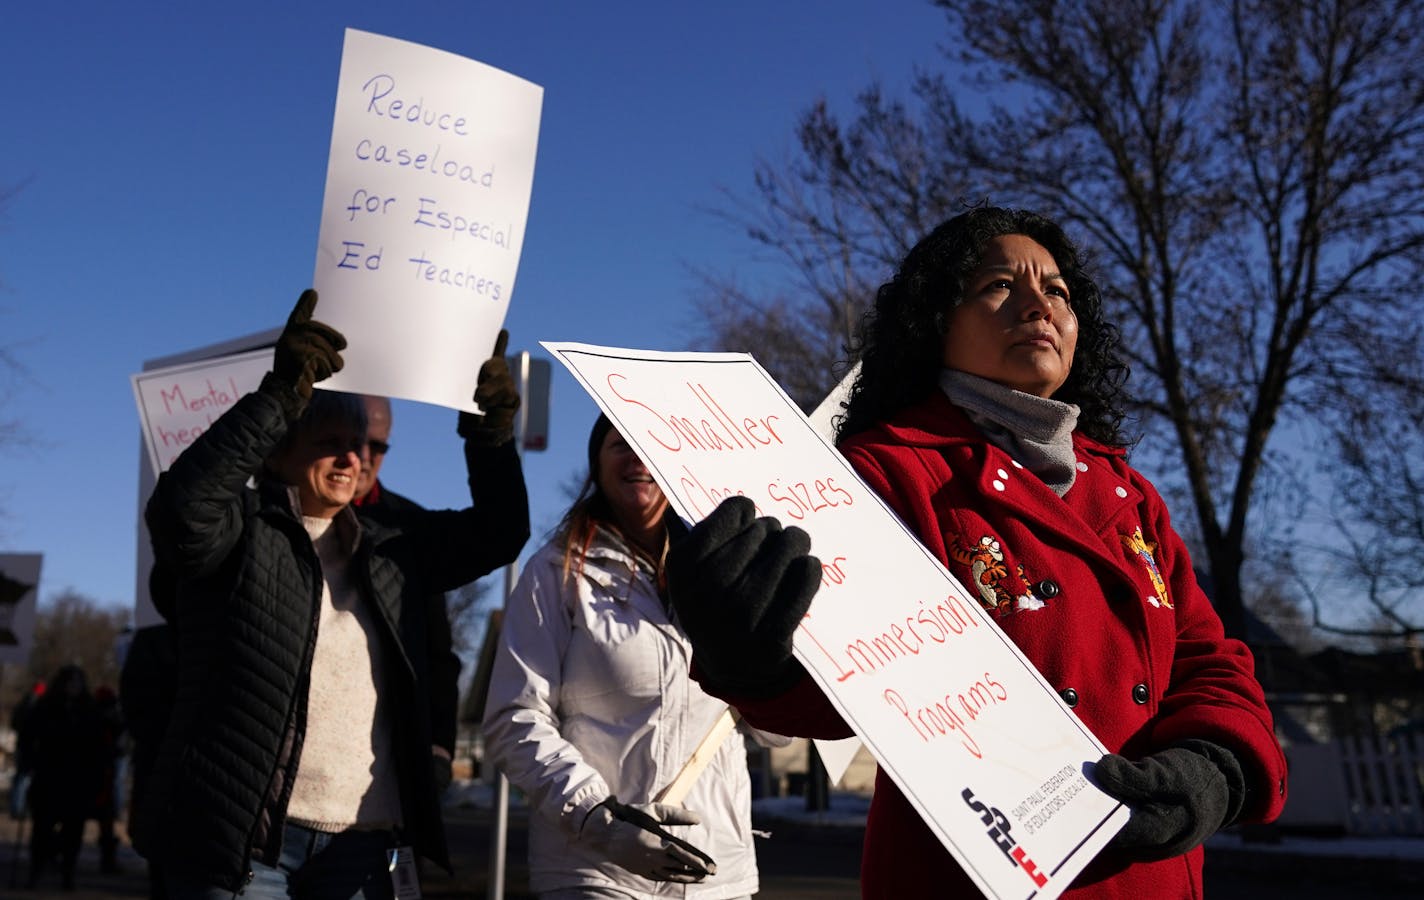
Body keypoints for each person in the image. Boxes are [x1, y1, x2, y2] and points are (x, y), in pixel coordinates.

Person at [665, 206, 1288, 899]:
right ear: (936, 320)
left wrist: (1213, 765)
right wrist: (752, 656)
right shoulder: (886, 473)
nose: (1037, 304)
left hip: (1152, 879)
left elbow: (1208, 656)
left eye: (1057, 291)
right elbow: (839, 693)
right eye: (998, 286)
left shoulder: (1132, 494)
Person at [139, 289, 530, 900]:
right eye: (332, 438)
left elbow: (500, 533)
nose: (354, 457)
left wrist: (491, 432)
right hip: (246, 847)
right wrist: (276, 396)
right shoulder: (239, 533)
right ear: (283, 446)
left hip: (363, 846)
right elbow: (180, 511)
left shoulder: (395, 544)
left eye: (366, 445)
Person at [482, 414, 780, 899]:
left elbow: (774, 730)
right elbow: (514, 717)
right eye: (621, 443)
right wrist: (602, 821)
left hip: (714, 873)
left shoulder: (726, 574)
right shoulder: (555, 572)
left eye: (651, 442)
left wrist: (769, 658)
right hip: (595, 870)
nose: (638, 456)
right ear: (597, 463)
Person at [350, 393, 462, 801]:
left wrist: (440, 747)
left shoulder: (412, 527)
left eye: (378, 446)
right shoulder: (283, 515)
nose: (363, 456)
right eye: (352, 439)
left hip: (389, 755)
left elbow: (438, 653)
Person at [18, 664, 107, 890]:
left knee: (72, 832)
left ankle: (68, 874)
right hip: (49, 778)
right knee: (42, 830)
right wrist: (29, 762)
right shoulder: (46, 708)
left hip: (77, 781)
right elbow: (28, 735)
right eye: (70, 682)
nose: (73, 687)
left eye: (77, 682)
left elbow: (97, 748)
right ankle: (36, 870)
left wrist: (96, 779)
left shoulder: (89, 711)